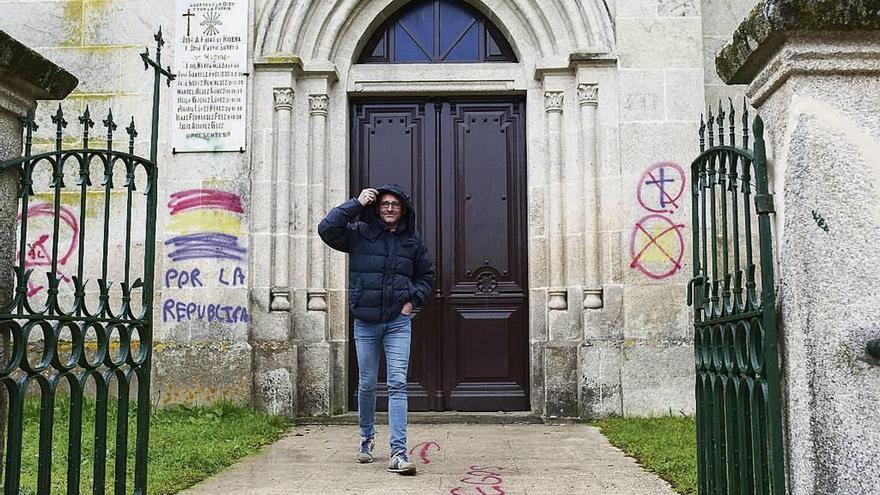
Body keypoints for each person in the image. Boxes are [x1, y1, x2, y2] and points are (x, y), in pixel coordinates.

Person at [318, 184, 434, 475]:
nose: (390, 208)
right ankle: (367, 437)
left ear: (403, 209)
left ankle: (398, 452)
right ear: (376, 207)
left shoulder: (412, 241)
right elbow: (326, 229)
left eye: (395, 204)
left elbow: (426, 276)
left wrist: (413, 301)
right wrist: (355, 203)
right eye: (384, 204)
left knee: (397, 383)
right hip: (366, 322)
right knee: (367, 384)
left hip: (398, 322)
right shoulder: (359, 234)